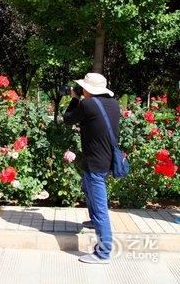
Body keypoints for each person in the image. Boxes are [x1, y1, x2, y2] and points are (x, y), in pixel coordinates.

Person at [63, 73, 120, 264]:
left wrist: (74, 98)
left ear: (88, 89)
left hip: (96, 163)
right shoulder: (113, 103)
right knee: (87, 188)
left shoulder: (87, 105)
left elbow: (68, 119)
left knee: (99, 206)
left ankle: (103, 253)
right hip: (102, 160)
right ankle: (94, 222)